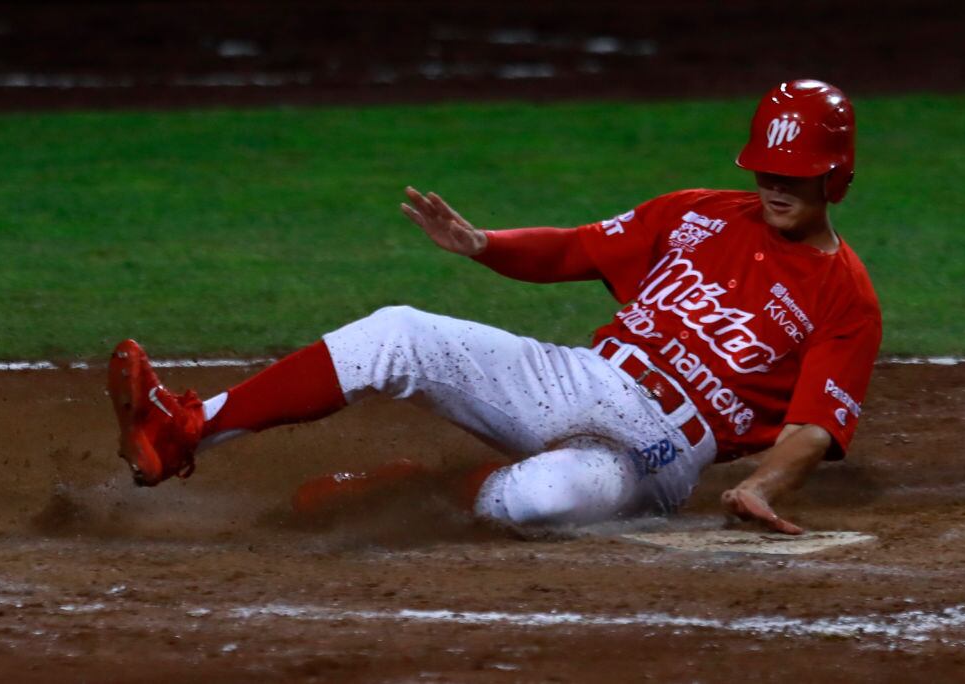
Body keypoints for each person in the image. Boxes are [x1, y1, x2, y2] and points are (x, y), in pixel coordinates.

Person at [108, 79, 881, 535]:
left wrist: (761, 487)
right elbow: (576, 249)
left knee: (545, 499)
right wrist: (486, 245)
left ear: (836, 178)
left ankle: (407, 492)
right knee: (399, 333)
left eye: (798, 173)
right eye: (768, 169)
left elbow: (813, 426)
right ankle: (182, 430)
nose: (777, 186)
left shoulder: (845, 296)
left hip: (661, 451)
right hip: (581, 378)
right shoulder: (698, 212)